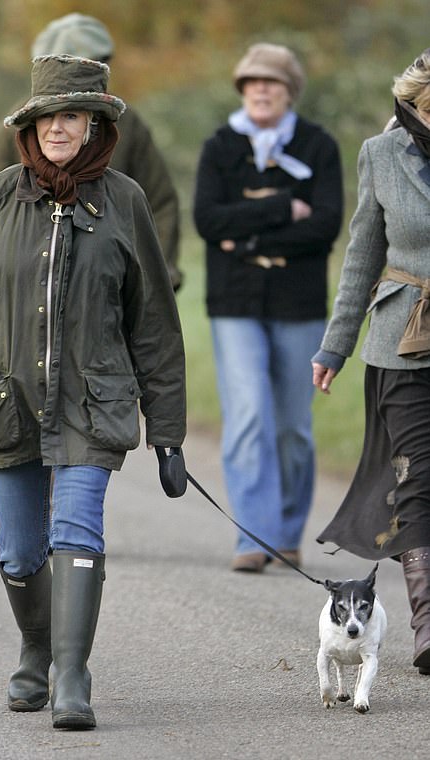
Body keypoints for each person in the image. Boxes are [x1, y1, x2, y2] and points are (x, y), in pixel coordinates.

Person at [0, 55, 186, 729]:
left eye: (71, 116)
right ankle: (35, 652)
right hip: (6, 401)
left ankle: (71, 674)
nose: (58, 129)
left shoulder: (125, 202)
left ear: (95, 124)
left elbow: (153, 321)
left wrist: (170, 432)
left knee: (77, 529)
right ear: (29, 127)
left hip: (95, 404)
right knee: (21, 549)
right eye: (46, 118)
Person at [193, 43, 343, 573]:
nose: (260, 90)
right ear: (242, 89)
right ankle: (253, 537)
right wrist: (283, 208)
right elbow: (208, 222)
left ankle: (285, 532)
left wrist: (248, 235)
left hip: (299, 303)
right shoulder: (220, 146)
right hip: (234, 301)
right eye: (252, 82)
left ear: (289, 91)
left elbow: (325, 225)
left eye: (272, 83)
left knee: (293, 426)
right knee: (249, 414)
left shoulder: (318, 146)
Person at [312, 49, 430, 676]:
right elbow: (362, 255)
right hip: (402, 342)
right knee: (416, 478)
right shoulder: (381, 155)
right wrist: (337, 343)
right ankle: (427, 623)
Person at [0, 12, 183, 291]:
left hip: (107, 276)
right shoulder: (19, 124)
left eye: (92, 62)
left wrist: (159, 275)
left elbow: (159, 202)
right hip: (30, 275)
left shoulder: (127, 124)